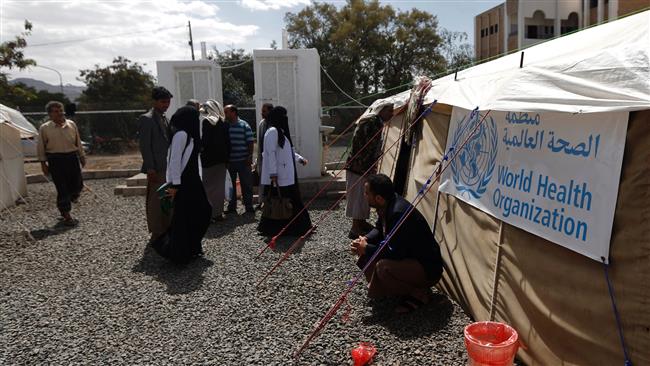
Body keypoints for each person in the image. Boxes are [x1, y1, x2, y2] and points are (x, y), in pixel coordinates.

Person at [350, 174, 443, 313]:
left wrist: (367, 248)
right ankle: (386, 289)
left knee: (383, 267)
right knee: (365, 252)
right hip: (408, 259)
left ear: (378, 198)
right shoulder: (388, 204)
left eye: (367, 193)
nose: (364, 195)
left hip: (427, 268)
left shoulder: (398, 213)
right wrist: (365, 240)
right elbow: (379, 229)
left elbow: (394, 252)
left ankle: (419, 293)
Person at [151, 106, 212, 264]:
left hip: (192, 181)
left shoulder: (187, 134)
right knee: (185, 217)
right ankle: (180, 251)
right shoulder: (181, 135)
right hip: (183, 182)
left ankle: (191, 247)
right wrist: (175, 184)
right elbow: (174, 161)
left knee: (200, 212)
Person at [257, 106, 312, 236]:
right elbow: (270, 154)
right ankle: (285, 228)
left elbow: (288, 151)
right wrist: (273, 173)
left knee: (287, 200)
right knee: (279, 202)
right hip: (278, 176)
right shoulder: (272, 132)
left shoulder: (280, 132)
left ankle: (296, 227)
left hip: (286, 175)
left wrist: (300, 159)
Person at [345, 102, 394, 239]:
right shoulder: (373, 122)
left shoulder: (371, 120)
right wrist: (369, 167)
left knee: (361, 196)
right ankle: (356, 228)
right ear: (381, 110)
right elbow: (367, 147)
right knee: (360, 196)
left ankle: (361, 223)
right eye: (389, 111)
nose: (392, 114)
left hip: (358, 166)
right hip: (360, 167)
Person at [37, 101, 86, 226]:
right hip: (55, 160)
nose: (59, 113)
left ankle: (69, 199)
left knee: (78, 185)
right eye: (56, 111)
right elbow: (41, 147)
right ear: (50, 114)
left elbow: (78, 141)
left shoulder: (71, 124)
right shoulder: (45, 128)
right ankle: (65, 213)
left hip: (71, 158)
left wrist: (81, 156)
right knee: (62, 187)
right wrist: (43, 164)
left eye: (60, 111)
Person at [138, 86, 173, 242]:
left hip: (167, 167)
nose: (166, 105)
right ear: (155, 101)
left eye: (168, 102)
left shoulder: (164, 117)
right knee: (155, 201)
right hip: (156, 168)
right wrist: (150, 168)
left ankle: (165, 228)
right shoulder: (147, 118)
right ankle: (156, 232)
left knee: (166, 198)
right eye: (163, 102)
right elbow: (145, 146)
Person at [200, 99, 230, 222]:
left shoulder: (207, 122)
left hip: (208, 160)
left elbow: (205, 142)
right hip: (222, 160)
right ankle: (217, 213)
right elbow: (228, 143)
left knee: (207, 187)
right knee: (219, 187)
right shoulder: (224, 122)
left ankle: (208, 214)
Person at [224, 105, 255, 213]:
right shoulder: (225, 125)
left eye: (226, 112)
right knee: (230, 185)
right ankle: (232, 206)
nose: (225, 114)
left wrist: (250, 156)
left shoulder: (244, 125)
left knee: (246, 184)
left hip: (243, 160)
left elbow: (250, 141)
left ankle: (248, 205)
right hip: (230, 162)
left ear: (233, 112)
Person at [254, 103, 273, 210]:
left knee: (271, 181)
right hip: (262, 158)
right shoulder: (262, 124)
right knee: (262, 180)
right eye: (262, 111)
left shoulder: (274, 125)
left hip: (271, 159)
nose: (262, 113)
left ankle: (270, 202)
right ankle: (261, 201)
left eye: (264, 111)